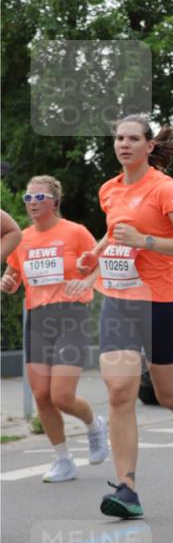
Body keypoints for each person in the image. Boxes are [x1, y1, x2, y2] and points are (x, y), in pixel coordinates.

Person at [76, 116, 173, 519]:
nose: (124, 144)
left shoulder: (164, 189)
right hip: (118, 301)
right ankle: (128, 488)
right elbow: (115, 230)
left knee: (168, 393)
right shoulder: (109, 189)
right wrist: (96, 254)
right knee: (120, 392)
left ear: (148, 146)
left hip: (160, 301)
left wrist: (147, 241)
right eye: (119, 138)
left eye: (133, 138)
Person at [1, 176, 108, 481]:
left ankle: (93, 425)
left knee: (61, 395)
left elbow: (99, 264)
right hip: (38, 318)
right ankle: (63, 460)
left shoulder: (76, 232)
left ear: (55, 201)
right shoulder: (22, 237)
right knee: (42, 396)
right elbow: (12, 277)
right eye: (27, 198)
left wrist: (86, 281)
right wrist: (7, 283)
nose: (32, 203)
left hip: (71, 314)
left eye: (39, 197)